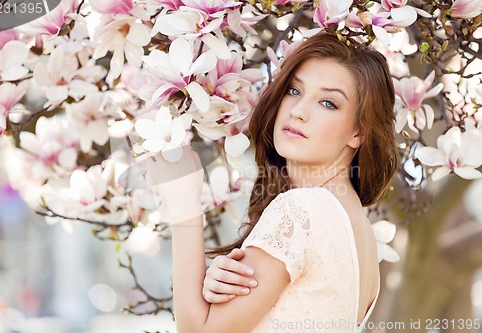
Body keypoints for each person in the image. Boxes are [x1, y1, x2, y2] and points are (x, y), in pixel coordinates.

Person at [148, 32, 397, 333]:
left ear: (359, 132)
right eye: (294, 91)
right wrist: (211, 290)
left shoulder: (300, 210)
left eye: (328, 103)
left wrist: (184, 207)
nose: (298, 111)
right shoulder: (360, 230)